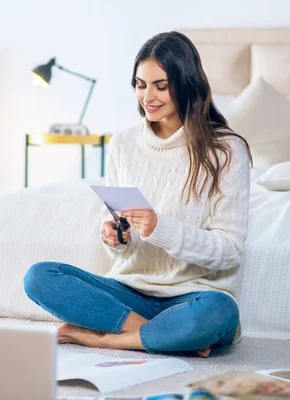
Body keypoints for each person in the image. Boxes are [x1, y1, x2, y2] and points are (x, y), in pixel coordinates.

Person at [24, 31, 252, 357]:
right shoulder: (123, 144)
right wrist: (115, 238)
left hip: (193, 295)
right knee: (40, 277)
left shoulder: (227, 150)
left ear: (186, 83)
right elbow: (121, 239)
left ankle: (105, 337)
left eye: (161, 85)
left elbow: (229, 252)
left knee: (218, 313)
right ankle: (164, 334)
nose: (148, 97)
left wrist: (161, 228)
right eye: (141, 84)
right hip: (130, 290)